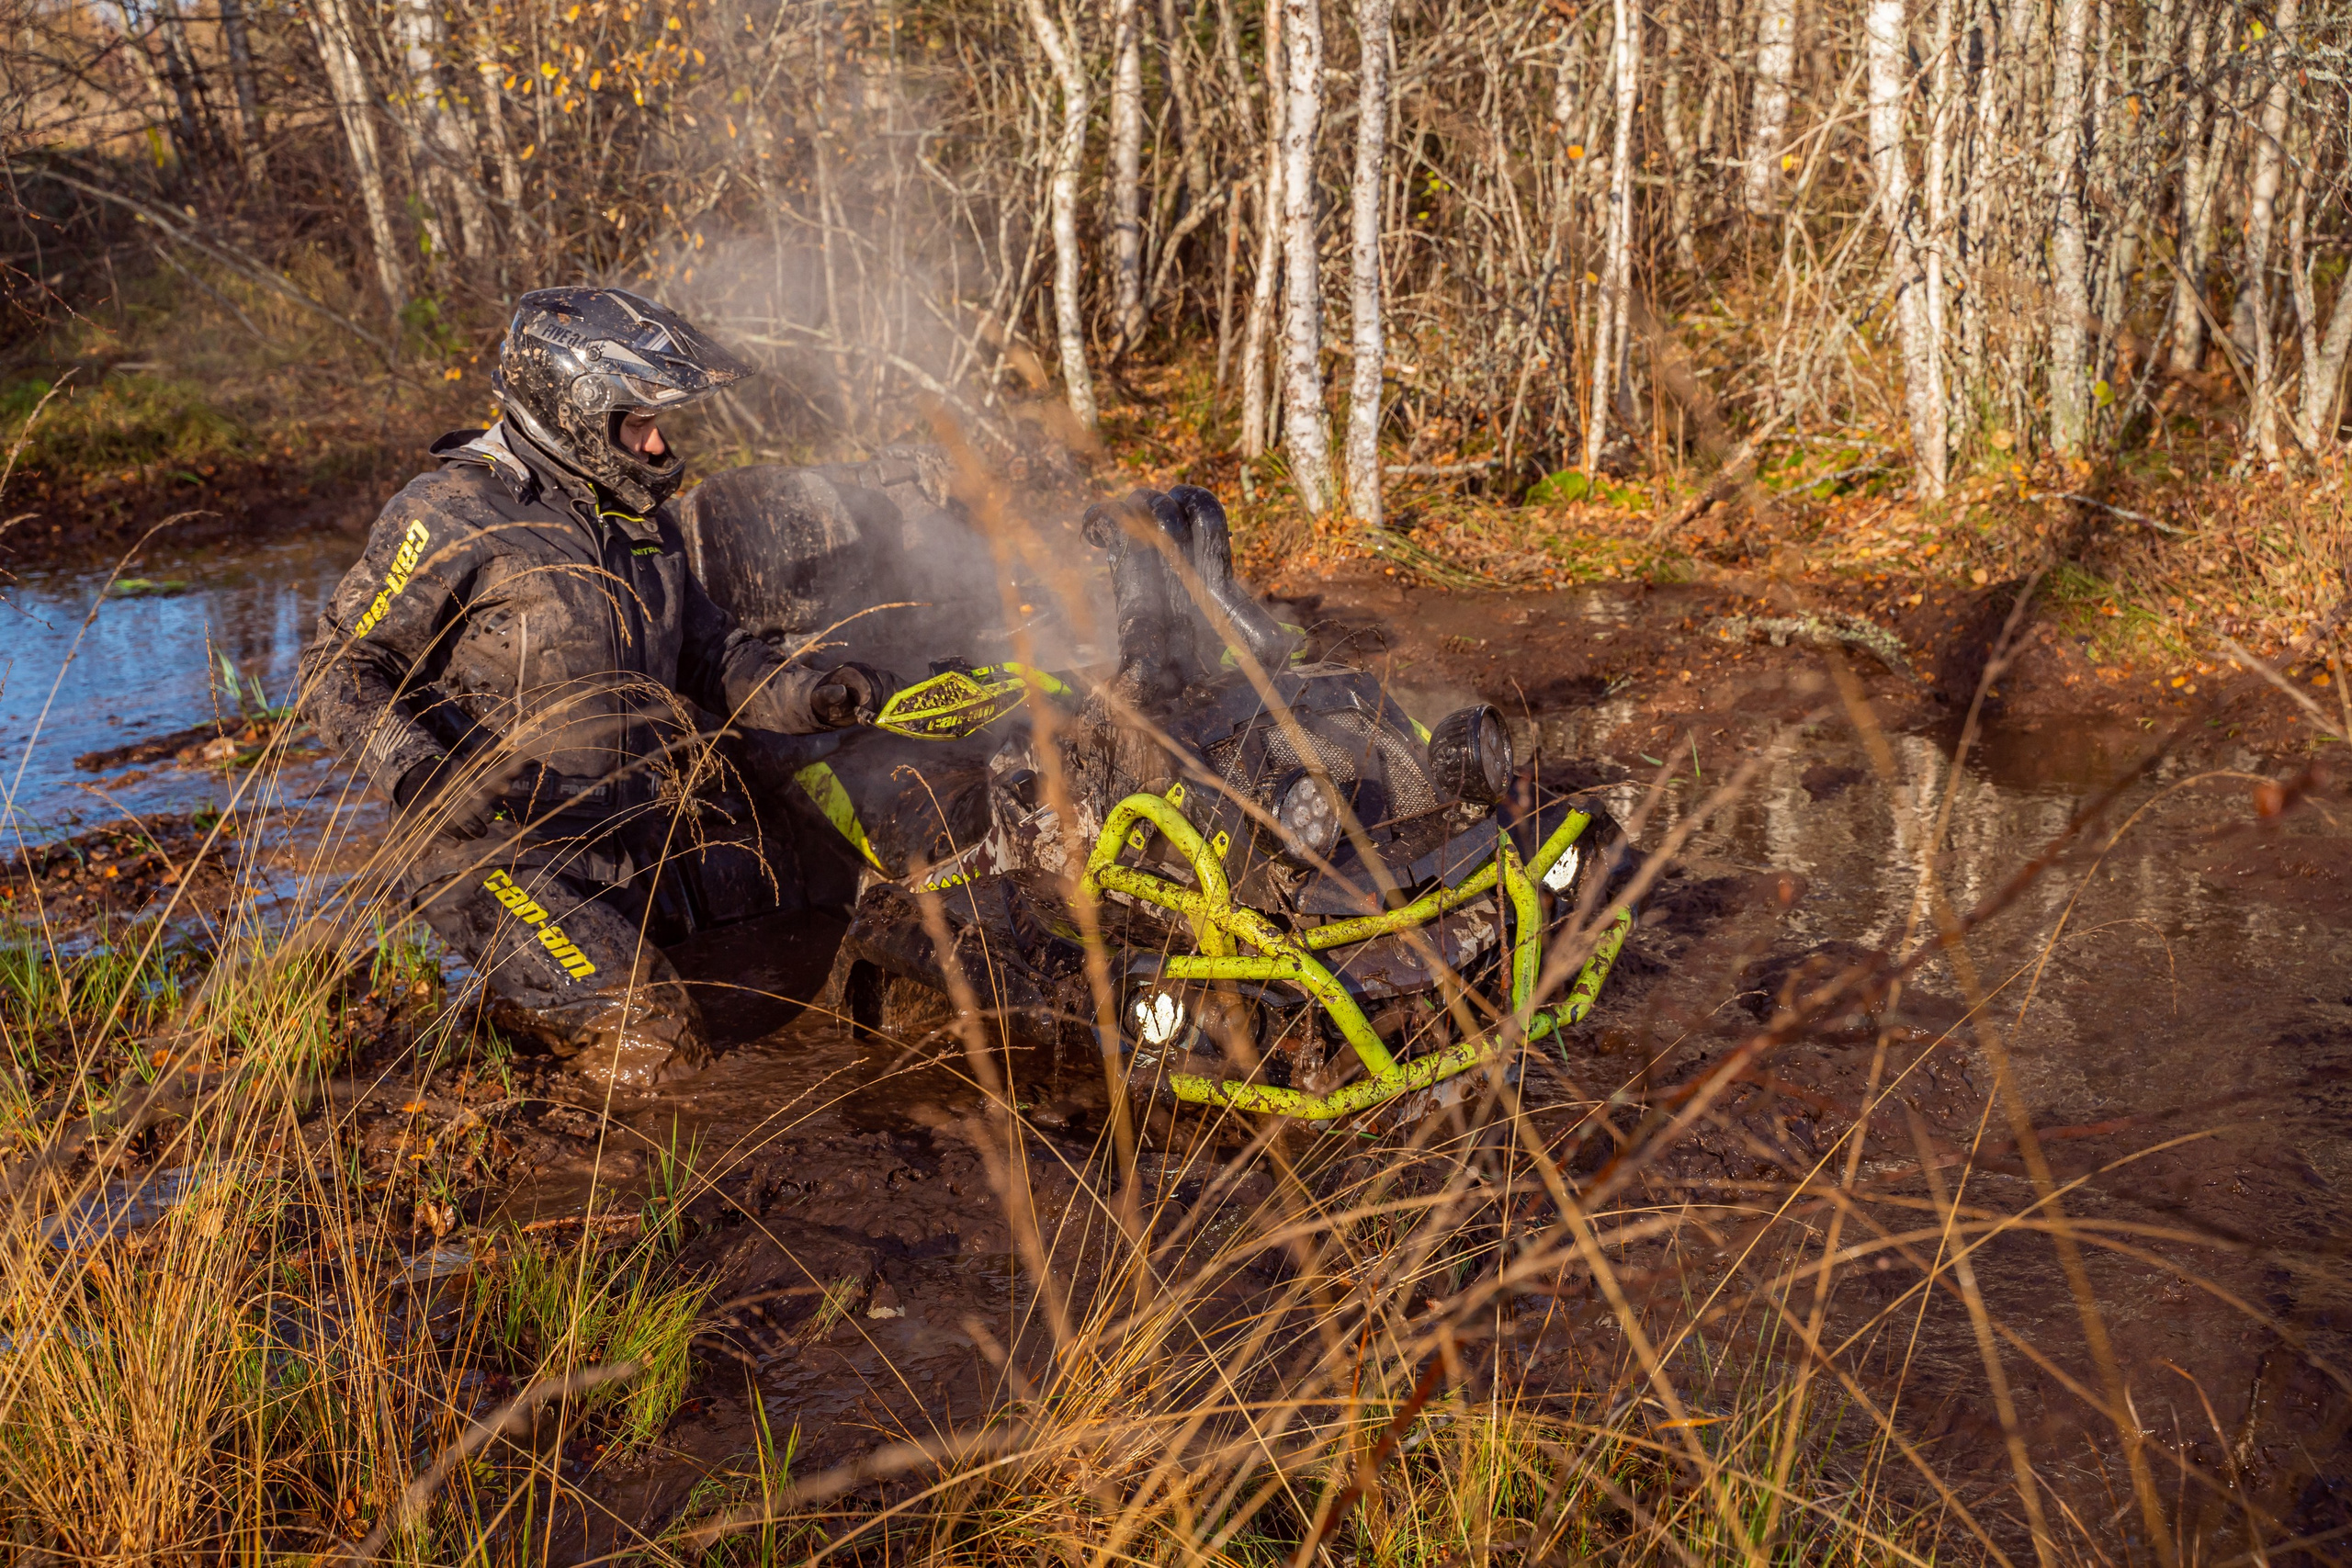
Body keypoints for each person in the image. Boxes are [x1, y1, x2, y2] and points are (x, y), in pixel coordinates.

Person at [299, 288, 891, 1088]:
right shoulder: (449, 511)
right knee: (656, 1045)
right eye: (637, 421)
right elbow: (337, 666)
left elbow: (711, 654)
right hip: (493, 844)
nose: (657, 443)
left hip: (634, 828)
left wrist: (816, 694)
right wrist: (419, 773)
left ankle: (537, 1011)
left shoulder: (642, 517)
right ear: (572, 408)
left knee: (796, 951)